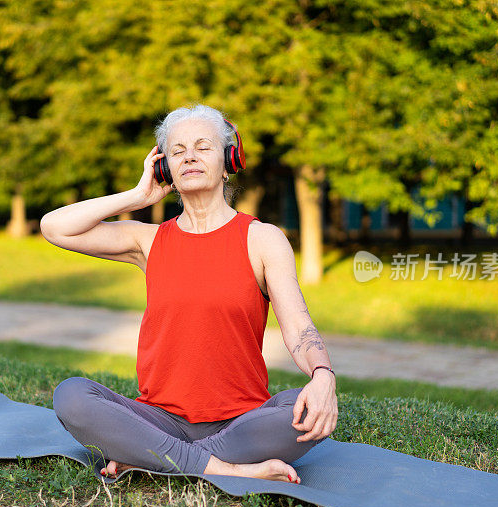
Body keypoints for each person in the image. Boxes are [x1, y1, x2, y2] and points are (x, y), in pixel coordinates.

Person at [40, 104, 337, 484]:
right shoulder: (147, 240)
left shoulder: (262, 239)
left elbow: (298, 325)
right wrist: (136, 196)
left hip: (241, 423)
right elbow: (55, 227)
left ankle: (150, 458)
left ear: (229, 159)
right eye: (177, 151)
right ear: (165, 169)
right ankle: (229, 470)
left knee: (302, 411)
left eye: (203, 147)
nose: (190, 156)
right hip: (160, 419)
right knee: (72, 396)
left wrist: (323, 375)